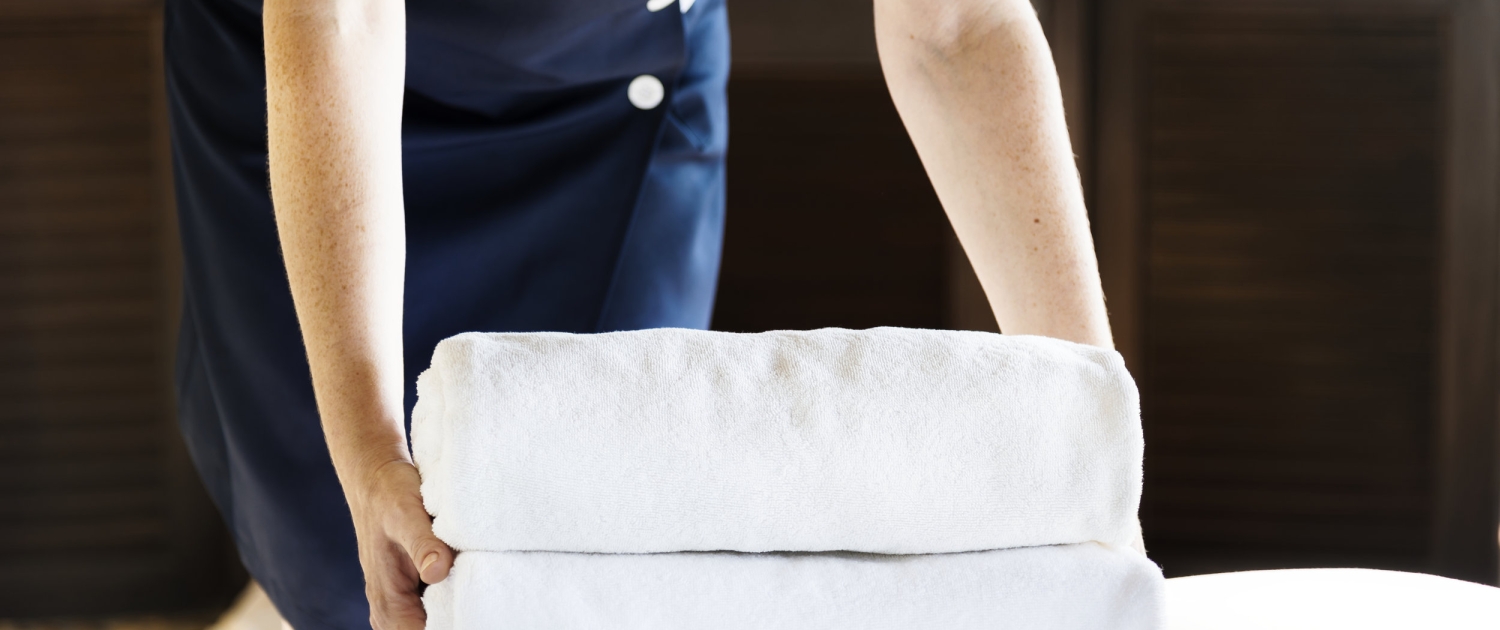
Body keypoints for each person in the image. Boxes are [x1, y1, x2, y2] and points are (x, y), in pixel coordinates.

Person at [165, 0, 1113, 628]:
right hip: (314, 66)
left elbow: (956, 29)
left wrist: (1091, 430)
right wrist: (367, 443)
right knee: (352, 562)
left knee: (585, 547)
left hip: (619, 93)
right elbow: (342, 17)